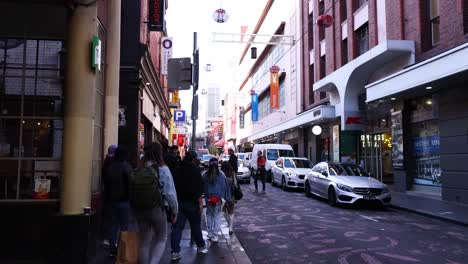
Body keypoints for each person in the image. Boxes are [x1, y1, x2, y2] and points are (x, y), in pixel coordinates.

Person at [133, 142, 178, 264]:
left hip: (139, 208)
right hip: (157, 208)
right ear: (160, 153)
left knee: (144, 240)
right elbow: (170, 193)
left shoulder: (139, 168)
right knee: (161, 238)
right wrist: (174, 211)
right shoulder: (163, 169)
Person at [171, 150, 211, 261]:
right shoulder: (195, 170)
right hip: (192, 202)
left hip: (179, 202)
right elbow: (198, 188)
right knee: (195, 226)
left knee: (177, 228)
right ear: (193, 159)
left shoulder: (177, 169)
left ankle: (175, 251)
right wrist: (200, 203)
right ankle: (201, 246)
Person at [102, 146, 132, 257]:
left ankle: (112, 249)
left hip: (111, 200)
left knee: (113, 225)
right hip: (124, 200)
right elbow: (130, 183)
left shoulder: (110, 167)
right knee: (124, 226)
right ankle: (123, 250)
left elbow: (105, 182)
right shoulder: (126, 167)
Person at [202, 158, 231, 242]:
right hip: (218, 199)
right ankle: (215, 235)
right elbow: (225, 187)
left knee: (209, 215)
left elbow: (202, 187)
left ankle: (210, 233)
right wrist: (226, 198)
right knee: (217, 216)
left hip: (209, 198)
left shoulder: (205, 175)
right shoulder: (222, 175)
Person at [101, 145, 117, 246]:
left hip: (107, 192)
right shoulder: (113, 163)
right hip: (114, 193)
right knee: (113, 218)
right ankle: (110, 238)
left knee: (109, 216)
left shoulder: (106, 161)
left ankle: (107, 237)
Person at [220, 161, 238, 234]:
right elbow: (235, 184)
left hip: (222, 195)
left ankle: (219, 227)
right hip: (231, 195)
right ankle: (230, 228)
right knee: (231, 212)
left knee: (222, 211)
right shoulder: (232, 173)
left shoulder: (221, 174)